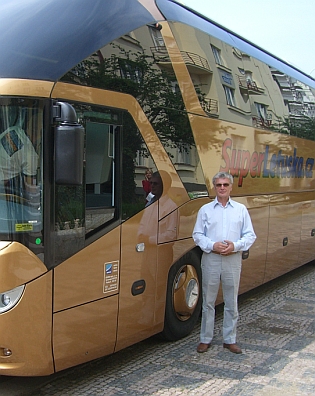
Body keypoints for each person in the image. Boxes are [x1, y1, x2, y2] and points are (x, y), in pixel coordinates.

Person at [192, 171, 256, 354]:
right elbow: (197, 235)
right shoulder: (205, 210)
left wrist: (235, 246)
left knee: (231, 301)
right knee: (208, 301)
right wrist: (213, 245)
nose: (222, 188)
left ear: (231, 187)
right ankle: (205, 338)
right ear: (214, 187)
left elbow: (250, 235)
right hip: (211, 259)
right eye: (219, 185)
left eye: (225, 185)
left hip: (232, 260)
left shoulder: (240, 209)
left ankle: (230, 339)